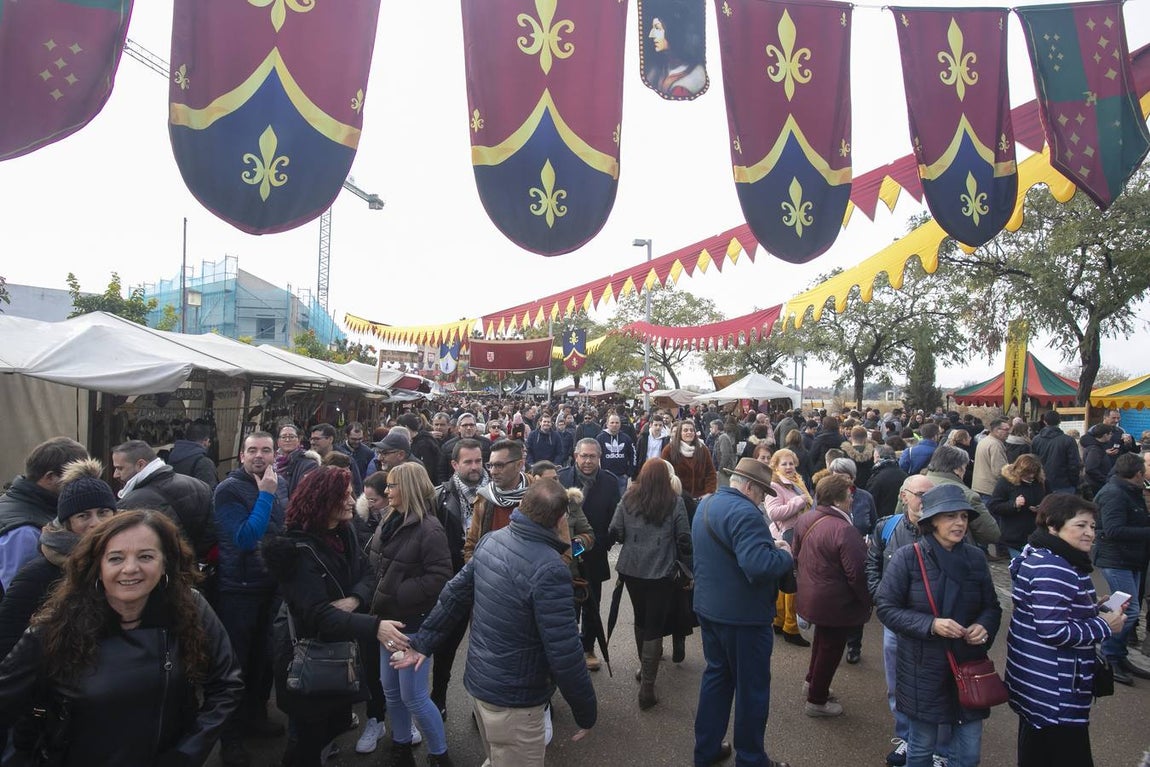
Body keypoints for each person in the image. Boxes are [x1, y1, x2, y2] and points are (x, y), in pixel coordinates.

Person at [0, 510, 243, 766]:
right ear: (98, 566)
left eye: (146, 556)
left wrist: (185, 754)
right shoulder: (54, 627)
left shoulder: (190, 607)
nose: (130, 569)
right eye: (116, 558)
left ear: (165, 564)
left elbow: (227, 685)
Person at [392, 480, 597, 765]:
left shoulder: (491, 540)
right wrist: (586, 712)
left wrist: (423, 642)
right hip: (517, 700)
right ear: (561, 519)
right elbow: (564, 650)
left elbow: (453, 595)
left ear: (521, 506)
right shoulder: (551, 568)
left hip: (482, 686)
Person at [262, 467, 411, 767]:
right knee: (305, 739)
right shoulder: (296, 550)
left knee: (329, 727)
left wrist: (354, 599)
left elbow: (367, 573)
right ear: (322, 500)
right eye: (343, 496)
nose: (351, 501)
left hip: (339, 647)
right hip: (305, 655)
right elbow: (318, 616)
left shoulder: (344, 533)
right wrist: (375, 626)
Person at [876, 484, 1003, 767]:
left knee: (968, 754)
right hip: (924, 668)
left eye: (964, 517)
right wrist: (931, 625)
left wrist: (984, 626)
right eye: (950, 516)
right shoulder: (909, 558)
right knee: (920, 749)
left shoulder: (975, 558)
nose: (959, 523)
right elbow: (886, 608)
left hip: (968, 664)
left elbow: (991, 606)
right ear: (932, 520)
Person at [1005, 494, 1126, 767]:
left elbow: (1052, 610)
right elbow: (1054, 630)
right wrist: (1104, 625)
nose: (1089, 533)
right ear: (1053, 526)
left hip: (1037, 683)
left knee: (1036, 751)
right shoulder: (1054, 566)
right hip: (1055, 688)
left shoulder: (1042, 554)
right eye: (1080, 525)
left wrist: (1090, 609)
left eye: (1092, 526)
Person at [692, 458, 793, 767]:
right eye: (762, 492)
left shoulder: (707, 504)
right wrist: (784, 554)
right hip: (743, 617)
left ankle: (706, 750)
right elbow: (759, 566)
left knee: (717, 679)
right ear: (749, 487)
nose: (763, 499)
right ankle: (751, 759)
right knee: (752, 691)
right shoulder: (746, 513)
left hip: (710, 608)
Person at [369, 462, 454, 766]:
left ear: (408, 488)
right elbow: (377, 564)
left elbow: (441, 575)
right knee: (391, 689)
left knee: (414, 696)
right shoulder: (389, 519)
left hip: (413, 625)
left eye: (392, 485)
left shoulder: (429, 528)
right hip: (387, 623)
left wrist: (397, 592)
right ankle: (401, 745)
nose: (387, 490)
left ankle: (439, 754)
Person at [213, 431, 289, 765]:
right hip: (239, 589)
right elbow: (246, 538)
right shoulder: (228, 489)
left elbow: (279, 529)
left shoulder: (279, 483)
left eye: (266, 450)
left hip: (271, 586)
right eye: (252, 450)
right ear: (241, 455)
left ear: (275, 454)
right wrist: (266, 496)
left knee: (265, 660)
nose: (259, 456)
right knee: (236, 667)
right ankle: (229, 738)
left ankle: (256, 717)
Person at [0, 458, 117, 661]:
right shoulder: (37, 576)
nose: (96, 523)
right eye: (83, 516)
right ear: (67, 523)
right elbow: (8, 642)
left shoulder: (131, 563)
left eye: (103, 512)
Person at [866, 475, 940, 767]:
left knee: (937, 685)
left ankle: (937, 749)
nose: (926, 500)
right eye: (920, 494)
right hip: (896, 621)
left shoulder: (942, 526)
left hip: (933, 621)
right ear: (905, 495)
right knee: (897, 684)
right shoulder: (888, 526)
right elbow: (872, 562)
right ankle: (907, 738)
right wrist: (880, 599)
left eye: (930, 495)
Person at [609, 459, 692, 710]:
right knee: (655, 624)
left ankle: (643, 669)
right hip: (661, 571)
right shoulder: (675, 502)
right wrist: (688, 568)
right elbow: (684, 538)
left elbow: (615, 531)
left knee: (640, 619)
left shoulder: (628, 499)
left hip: (632, 569)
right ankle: (647, 686)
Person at [793, 474, 872, 717]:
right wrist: (867, 601)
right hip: (836, 601)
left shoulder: (806, 518)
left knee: (822, 641)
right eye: (849, 495)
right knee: (831, 648)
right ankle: (817, 699)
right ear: (839, 500)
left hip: (812, 593)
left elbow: (796, 554)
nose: (851, 499)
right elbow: (858, 574)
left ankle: (812, 682)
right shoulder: (844, 530)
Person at [559, 439, 623, 671]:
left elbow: (615, 518)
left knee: (591, 604)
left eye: (592, 456)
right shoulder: (562, 478)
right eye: (583, 456)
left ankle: (588, 647)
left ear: (599, 457)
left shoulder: (609, 481)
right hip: (564, 555)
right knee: (567, 605)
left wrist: (604, 543)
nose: (587, 461)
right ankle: (569, 650)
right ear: (575, 456)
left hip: (594, 553)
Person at [0, 437, 89, 592]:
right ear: (50, 477)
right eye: (75, 479)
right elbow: (19, 593)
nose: (82, 486)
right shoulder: (24, 531)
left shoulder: (14, 504)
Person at [1092, 452, 1150, 685]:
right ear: (1137, 473)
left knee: (1120, 605)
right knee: (1131, 609)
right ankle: (1107, 652)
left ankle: (1117, 654)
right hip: (1115, 559)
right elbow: (1114, 530)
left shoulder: (1129, 490)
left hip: (1130, 558)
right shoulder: (1114, 493)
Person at [113, 439, 217, 563]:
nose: (115, 475)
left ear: (140, 465)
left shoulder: (129, 503)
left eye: (120, 468)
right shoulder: (200, 486)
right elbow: (213, 529)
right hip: (197, 572)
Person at [765, 448, 812, 648]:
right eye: (784, 464)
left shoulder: (797, 483)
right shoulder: (775, 485)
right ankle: (790, 627)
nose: (788, 467)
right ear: (775, 466)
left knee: (786, 579)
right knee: (792, 580)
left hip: (799, 535)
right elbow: (774, 513)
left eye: (791, 463)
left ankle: (779, 620)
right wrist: (799, 500)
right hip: (787, 538)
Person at [987, 454, 1048, 559]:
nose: (1031, 476)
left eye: (1034, 473)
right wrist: (1014, 505)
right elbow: (993, 506)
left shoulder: (1041, 481)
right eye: (1028, 473)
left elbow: (1049, 499)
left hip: (1036, 535)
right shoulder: (1006, 482)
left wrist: (1042, 507)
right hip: (1014, 536)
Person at [662, 420, 717, 503]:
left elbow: (710, 473)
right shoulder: (669, 450)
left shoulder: (703, 449)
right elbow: (664, 474)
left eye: (692, 430)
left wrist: (709, 492)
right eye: (685, 430)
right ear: (679, 433)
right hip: (678, 499)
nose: (689, 432)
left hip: (701, 498)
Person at [1032, 411, 1082, 495]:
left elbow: (1032, 461)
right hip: (1064, 485)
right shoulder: (1068, 440)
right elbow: (1074, 464)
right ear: (1059, 421)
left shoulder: (1036, 440)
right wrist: (1074, 482)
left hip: (1042, 483)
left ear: (1044, 421)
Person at [167, 420, 218, 487]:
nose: (209, 444)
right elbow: (209, 492)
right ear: (205, 441)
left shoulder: (172, 456)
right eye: (209, 441)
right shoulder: (204, 463)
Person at [597, 414, 636, 494]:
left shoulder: (626, 438)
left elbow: (633, 455)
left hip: (622, 476)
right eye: (612, 422)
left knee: (620, 502)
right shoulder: (600, 438)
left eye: (617, 423)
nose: (614, 425)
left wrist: (629, 473)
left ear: (620, 424)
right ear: (607, 424)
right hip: (605, 476)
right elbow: (596, 456)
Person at [1081, 424, 1115, 498]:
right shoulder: (1095, 449)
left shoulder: (1098, 447)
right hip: (1095, 486)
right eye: (1110, 434)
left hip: (1095, 484)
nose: (1111, 436)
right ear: (1105, 435)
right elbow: (1090, 468)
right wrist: (1105, 479)